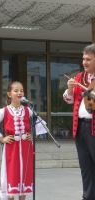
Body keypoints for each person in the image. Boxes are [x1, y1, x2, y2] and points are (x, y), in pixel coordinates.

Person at [0, 81, 47, 200]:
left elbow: (41, 125)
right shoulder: (4, 111)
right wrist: (2, 138)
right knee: (12, 175)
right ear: (9, 94)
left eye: (21, 91)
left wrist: (33, 135)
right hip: (11, 146)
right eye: (16, 91)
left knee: (24, 174)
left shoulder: (28, 110)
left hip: (26, 146)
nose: (19, 93)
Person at [63, 43, 95, 200]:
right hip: (80, 126)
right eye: (83, 59)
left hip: (94, 127)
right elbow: (68, 100)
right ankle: (88, 197)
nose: (85, 62)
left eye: (88, 59)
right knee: (86, 167)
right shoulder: (78, 77)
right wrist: (69, 89)